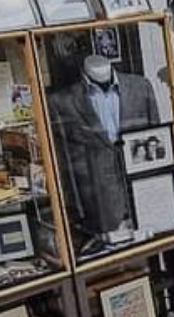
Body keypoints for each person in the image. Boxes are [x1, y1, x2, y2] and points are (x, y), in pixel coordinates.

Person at [49, 53, 160, 246]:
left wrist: (160, 189)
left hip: (144, 194)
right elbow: (65, 161)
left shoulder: (141, 87)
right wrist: (75, 209)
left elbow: (158, 141)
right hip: (97, 203)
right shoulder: (61, 102)